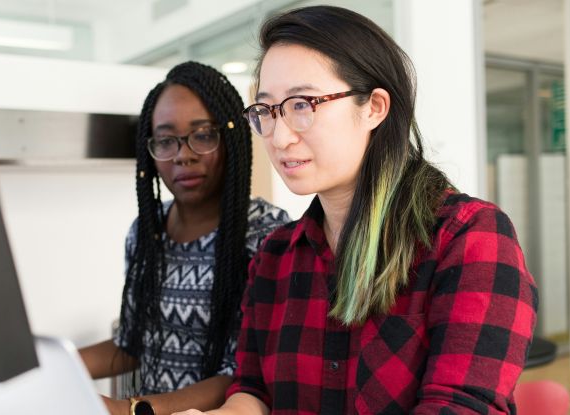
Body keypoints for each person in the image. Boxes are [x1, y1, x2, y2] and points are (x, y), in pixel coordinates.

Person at [173, 6, 537, 415]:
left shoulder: (470, 238)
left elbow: (462, 407)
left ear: (375, 108)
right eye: (267, 110)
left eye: (302, 104)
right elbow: (253, 391)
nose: (279, 135)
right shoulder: (274, 257)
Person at [79, 61, 290, 415]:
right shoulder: (146, 232)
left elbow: (243, 375)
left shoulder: (266, 234)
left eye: (203, 135)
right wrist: (50, 364)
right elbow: (131, 344)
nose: (183, 155)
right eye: (165, 140)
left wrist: (128, 409)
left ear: (231, 138)